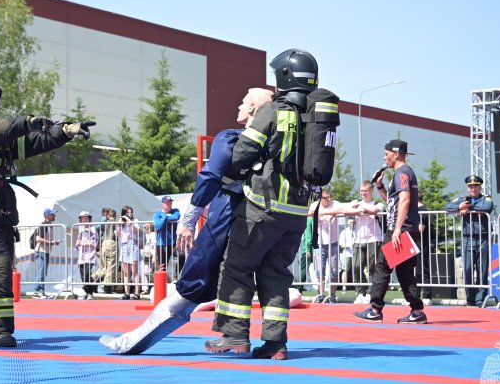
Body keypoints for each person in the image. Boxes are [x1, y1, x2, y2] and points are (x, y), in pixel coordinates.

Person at [99, 88, 273, 354]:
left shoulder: (230, 138)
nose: (238, 105)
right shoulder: (275, 145)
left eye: (243, 102)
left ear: (252, 110)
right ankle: (255, 340)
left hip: (225, 213)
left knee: (194, 277)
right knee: (236, 277)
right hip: (259, 218)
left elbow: (210, 175)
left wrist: (190, 218)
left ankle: (133, 341)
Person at [0, 75, 92, 348]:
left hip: (1, 210)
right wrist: (25, 122)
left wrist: (64, 131)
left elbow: (34, 141)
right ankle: (0, 332)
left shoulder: (4, 134)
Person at [206, 48, 333, 360]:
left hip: (262, 207)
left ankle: (234, 335)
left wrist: (231, 173)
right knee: (276, 273)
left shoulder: (274, 111)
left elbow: (244, 152)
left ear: (284, 76)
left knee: (236, 266)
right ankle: (276, 343)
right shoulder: (320, 114)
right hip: (297, 212)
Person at [354, 139, 427, 324]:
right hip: (404, 228)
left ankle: (375, 309)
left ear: (396, 154)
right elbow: (394, 203)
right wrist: (379, 186)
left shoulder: (402, 173)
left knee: (382, 266)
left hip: (401, 230)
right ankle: (417, 311)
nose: (384, 158)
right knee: (404, 272)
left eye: (386, 154)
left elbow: (404, 200)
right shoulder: (403, 173)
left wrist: (396, 229)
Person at [444, 176, 494, 306]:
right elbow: (448, 206)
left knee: (482, 269)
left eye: (475, 186)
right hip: (467, 238)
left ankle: (480, 299)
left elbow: (487, 207)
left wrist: (468, 208)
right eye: (470, 186)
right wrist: (459, 207)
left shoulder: (486, 198)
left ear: (480, 187)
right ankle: (470, 298)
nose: (473, 189)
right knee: (467, 269)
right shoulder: (462, 199)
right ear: (468, 187)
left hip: (482, 237)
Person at [347, 181, 384, 304]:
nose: (363, 193)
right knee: (356, 266)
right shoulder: (356, 202)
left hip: (374, 239)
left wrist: (360, 206)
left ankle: (370, 293)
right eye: (361, 190)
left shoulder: (378, 204)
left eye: (366, 190)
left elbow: (374, 210)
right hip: (358, 239)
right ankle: (360, 293)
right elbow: (347, 210)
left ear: (371, 191)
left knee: (373, 268)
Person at [311, 189, 343, 303]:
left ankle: (332, 295)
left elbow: (341, 210)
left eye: (330, 197)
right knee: (320, 270)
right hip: (319, 242)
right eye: (326, 197)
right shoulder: (315, 205)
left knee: (334, 270)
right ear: (320, 198)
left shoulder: (335, 204)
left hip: (333, 242)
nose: (329, 199)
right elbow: (309, 212)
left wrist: (327, 213)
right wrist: (317, 214)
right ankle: (321, 294)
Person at [33, 207, 61, 298]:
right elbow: (37, 238)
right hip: (41, 251)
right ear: (47, 216)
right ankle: (37, 292)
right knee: (41, 271)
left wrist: (52, 243)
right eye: (52, 214)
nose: (54, 215)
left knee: (43, 272)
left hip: (45, 251)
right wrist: (50, 243)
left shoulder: (49, 225)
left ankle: (41, 291)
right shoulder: (43, 225)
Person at [153, 196, 183, 278]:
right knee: (162, 266)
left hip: (173, 243)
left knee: (182, 255)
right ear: (162, 204)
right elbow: (158, 226)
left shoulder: (175, 211)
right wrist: (166, 217)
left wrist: (164, 218)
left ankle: (176, 275)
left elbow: (176, 217)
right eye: (167, 203)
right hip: (161, 244)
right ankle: (163, 284)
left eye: (170, 203)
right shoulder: (157, 214)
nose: (169, 205)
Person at [117, 205, 142, 299]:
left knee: (134, 271)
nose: (129, 214)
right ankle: (126, 293)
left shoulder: (135, 221)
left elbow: (137, 230)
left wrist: (129, 221)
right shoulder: (122, 223)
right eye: (127, 212)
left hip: (133, 244)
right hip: (124, 245)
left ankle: (137, 293)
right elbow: (118, 234)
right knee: (126, 272)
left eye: (131, 212)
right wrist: (119, 223)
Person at [74, 210, 98, 299]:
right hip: (81, 256)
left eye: (86, 218)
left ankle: (90, 292)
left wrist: (84, 243)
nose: (84, 220)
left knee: (87, 273)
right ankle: (87, 291)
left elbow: (94, 242)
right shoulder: (80, 229)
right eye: (82, 218)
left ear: (89, 219)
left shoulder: (93, 229)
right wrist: (82, 243)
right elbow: (77, 242)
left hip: (90, 255)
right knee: (82, 275)